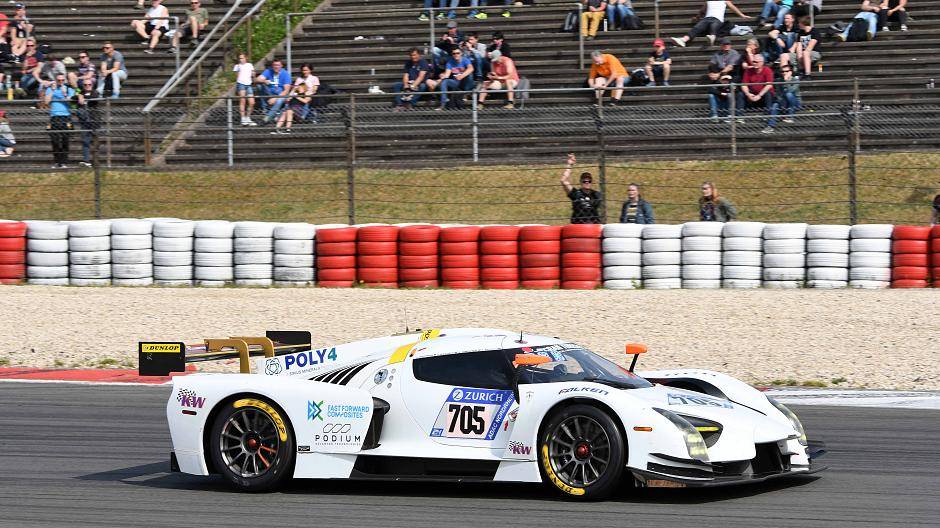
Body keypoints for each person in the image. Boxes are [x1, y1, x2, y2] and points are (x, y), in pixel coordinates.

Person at [671, 0, 752, 47]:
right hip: (706, 19)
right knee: (697, 27)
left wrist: (742, 15)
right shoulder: (708, 1)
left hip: (717, 20)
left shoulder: (724, 1)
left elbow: (733, 8)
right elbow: (702, 11)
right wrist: (697, 17)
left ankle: (712, 38)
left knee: (714, 25)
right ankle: (683, 40)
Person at [44, 73, 81, 168]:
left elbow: (71, 103)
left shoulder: (69, 89)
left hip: (66, 116)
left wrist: (64, 94)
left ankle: (64, 162)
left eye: (62, 80)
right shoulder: (50, 89)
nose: (60, 82)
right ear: (56, 80)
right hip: (54, 117)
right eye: (59, 80)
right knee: (55, 140)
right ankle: (57, 161)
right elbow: (46, 102)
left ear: (65, 80)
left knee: (65, 139)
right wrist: (52, 90)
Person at [737, 54, 778, 134]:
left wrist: (759, 95)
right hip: (752, 95)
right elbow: (744, 85)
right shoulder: (748, 71)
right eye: (753, 61)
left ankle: (767, 114)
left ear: (762, 62)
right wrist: (748, 94)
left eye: (756, 62)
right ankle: (740, 117)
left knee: (768, 93)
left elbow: (769, 85)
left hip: (763, 96)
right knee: (741, 94)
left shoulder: (767, 70)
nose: (754, 63)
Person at [561, 153, 603, 224]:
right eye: (584, 181)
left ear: (591, 182)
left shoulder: (596, 194)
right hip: (578, 224)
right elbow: (563, 181)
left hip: (593, 224)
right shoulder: (576, 193)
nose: (587, 182)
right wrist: (570, 165)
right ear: (580, 182)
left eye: (589, 181)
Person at [75, 77, 98, 166]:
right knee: (85, 141)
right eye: (85, 85)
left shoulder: (95, 92)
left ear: (92, 85)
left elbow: (94, 98)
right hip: (84, 121)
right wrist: (79, 96)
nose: (87, 86)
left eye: (89, 84)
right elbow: (73, 97)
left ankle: (96, 161)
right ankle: (86, 161)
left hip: (94, 120)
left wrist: (82, 97)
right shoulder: (81, 93)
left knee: (95, 141)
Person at [232, 52, 256, 126]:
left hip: (248, 84)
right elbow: (237, 76)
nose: (241, 60)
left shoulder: (250, 65)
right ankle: (243, 118)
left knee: (252, 102)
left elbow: (253, 74)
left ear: (246, 58)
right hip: (241, 84)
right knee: (243, 101)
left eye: (242, 58)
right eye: (240, 58)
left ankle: (248, 117)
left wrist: (253, 74)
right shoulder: (237, 66)